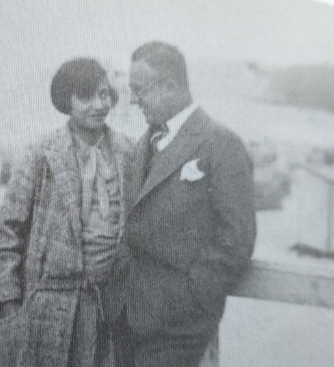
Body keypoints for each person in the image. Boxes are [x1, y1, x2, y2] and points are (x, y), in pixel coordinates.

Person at [110, 42, 257, 367]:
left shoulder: (222, 146)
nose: (132, 100)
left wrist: (189, 300)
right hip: (126, 318)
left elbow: (236, 240)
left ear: (170, 86)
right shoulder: (144, 144)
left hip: (176, 329)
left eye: (139, 90)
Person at [0, 58, 134, 367]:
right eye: (86, 97)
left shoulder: (129, 153)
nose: (98, 105)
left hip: (109, 309)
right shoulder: (42, 154)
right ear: (67, 101)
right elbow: (7, 232)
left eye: (104, 95)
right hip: (48, 311)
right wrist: (10, 308)